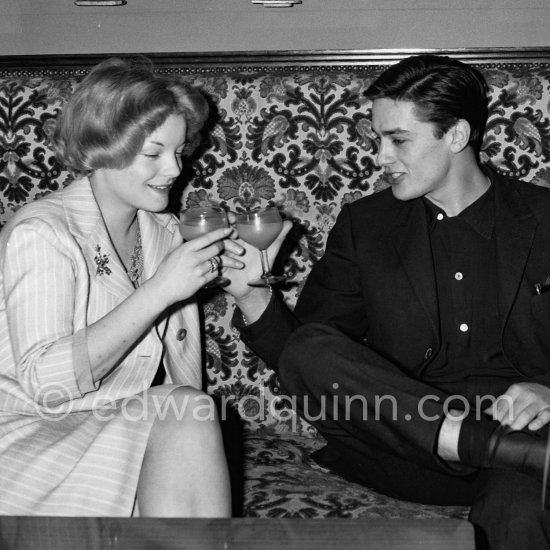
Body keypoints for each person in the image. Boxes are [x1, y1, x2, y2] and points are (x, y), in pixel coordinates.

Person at [225, 54, 550, 548]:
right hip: (404, 448)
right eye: (378, 139)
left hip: (527, 448)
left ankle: (504, 451)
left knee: (519, 516)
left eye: (398, 140)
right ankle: (489, 445)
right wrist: (252, 296)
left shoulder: (545, 219)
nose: (380, 157)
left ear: (457, 136)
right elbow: (306, 357)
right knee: (314, 347)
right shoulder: (367, 226)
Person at [0, 57, 244, 517]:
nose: (174, 169)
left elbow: (182, 375)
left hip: (109, 426)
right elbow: (45, 385)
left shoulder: (165, 231)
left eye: (179, 151)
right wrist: (159, 290)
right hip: (29, 435)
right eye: (153, 154)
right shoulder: (44, 233)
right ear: (103, 146)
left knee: (189, 415)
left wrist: (246, 285)